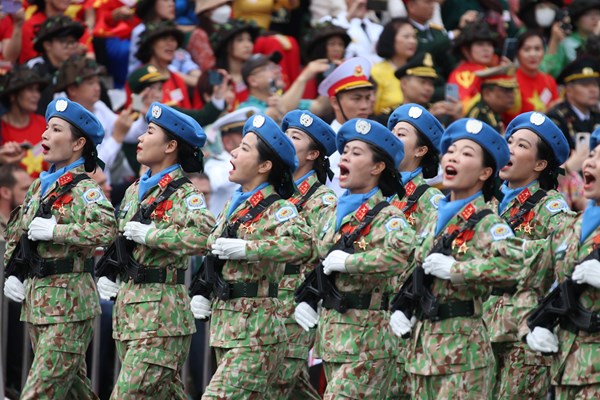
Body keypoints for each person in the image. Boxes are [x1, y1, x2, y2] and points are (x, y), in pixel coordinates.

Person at [391, 118, 530, 398]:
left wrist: (458, 269)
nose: (453, 157)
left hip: (462, 352)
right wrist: (403, 306)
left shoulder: (488, 222)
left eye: (467, 153)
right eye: (451, 151)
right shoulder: (434, 218)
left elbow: (515, 266)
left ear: (485, 172)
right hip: (422, 349)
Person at [96, 102, 215, 398]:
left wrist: (153, 235)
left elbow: (204, 237)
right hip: (130, 313)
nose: (139, 138)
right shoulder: (135, 189)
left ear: (170, 146)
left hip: (161, 318)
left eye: (149, 132)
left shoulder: (185, 194)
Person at [190, 113, 312, 399]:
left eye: (244, 149)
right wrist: (202, 289)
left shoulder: (278, 208)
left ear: (265, 165)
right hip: (229, 326)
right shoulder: (235, 204)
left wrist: (251, 249)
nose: (233, 152)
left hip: (256, 331)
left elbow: (303, 245)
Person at [2, 97, 118, 399]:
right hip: (39, 303)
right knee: (73, 391)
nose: (45, 135)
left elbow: (107, 229)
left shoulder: (84, 189)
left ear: (78, 143)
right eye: (46, 128)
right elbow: (18, 232)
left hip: (69, 306)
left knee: (40, 391)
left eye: (56, 130)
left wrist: (58, 231)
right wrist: (13, 271)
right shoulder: (39, 187)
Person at [294, 117, 413, 398]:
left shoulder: (388, 216)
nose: (345, 157)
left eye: (356, 153)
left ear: (377, 167)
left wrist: (351, 263)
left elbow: (400, 257)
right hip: (334, 337)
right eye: (345, 151)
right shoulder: (332, 214)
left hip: (368, 341)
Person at [485, 111, 572, 399]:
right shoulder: (488, 201)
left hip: (523, 328)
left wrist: (513, 248)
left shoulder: (549, 205)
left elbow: (567, 247)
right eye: (509, 141)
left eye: (521, 145)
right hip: (483, 324)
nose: (509, 149)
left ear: (540, 164)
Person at [524, 126, 600, 399]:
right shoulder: (569, 228)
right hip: (565, 369)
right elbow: (528, 281)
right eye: (591, 155)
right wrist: (531, 327)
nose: (589, 163)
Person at [273, 109, 337, 399]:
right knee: (289, 386)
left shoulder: (322, 199)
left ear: (313, 154)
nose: (286, 140)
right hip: (265, 300)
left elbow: (319, 250)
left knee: (276, 381)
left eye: (296, 137)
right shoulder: (273, 192)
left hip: (294, 300)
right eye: (285, 134)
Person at [386, 103, 445, 399]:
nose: (392, 138)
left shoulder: (428, 198)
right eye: (392, 132)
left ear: (421, 150)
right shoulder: (378, 193)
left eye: (402, 134)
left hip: (405, 310)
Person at [318, 56, 375, 196]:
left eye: (367, 98)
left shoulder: (375, 139)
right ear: (335, 102)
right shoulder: (325, 147)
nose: (365, 105)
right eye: (356, 98)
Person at [239, 52, 330, 121]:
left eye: (276, 67)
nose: (278, 71)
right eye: (270, 68)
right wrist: (303, 78)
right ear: (253, 81)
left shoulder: (288, 101)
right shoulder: (245, 109)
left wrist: (332, 77)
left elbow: (320, 106)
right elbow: (280, 112)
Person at [204, 106, 260, 217]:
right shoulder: (215, 164)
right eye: (243, 136)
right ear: (228, 142)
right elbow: (217, 182)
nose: (250, 140)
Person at [26, 15, 85, 115]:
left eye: (73, 42)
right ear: (47, 45)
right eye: (64, 41)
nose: (70, 47)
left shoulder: (78, 67)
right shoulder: (35, 68)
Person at [0, 66, 49, 178]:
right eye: (30, 89)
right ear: (13, 96)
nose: (37, 95)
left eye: (37, 90)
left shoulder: (43, 123)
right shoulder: (1, 128)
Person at [504, 30, 560, 123]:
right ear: (517, 53)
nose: (533, 54)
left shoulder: (549, 80)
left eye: (537, 49)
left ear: (544, 52)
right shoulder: (510, 82)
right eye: (527, 49)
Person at [447, 21, 501, 114]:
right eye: (480, 44)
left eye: (489, 44)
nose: (486, 49)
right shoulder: (459, 73)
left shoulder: (454, 72)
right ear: (465, 50)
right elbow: (455, 104)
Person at [540, 0, 600, 78]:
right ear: (576, 20)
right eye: (587, 14)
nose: (594, 18)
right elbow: (550, 72)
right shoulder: (566, 43)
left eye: (597, 13)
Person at [371, 18, 418, 116]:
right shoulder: (377, 72)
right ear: (391, 39)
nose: (412, 41)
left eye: (414, 37)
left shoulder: (417, 70)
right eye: (406, 36)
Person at [326, 0, 384, 64]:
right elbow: (333, 32)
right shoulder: (331, 20)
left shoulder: (378, 28)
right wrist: (349, 16)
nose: (362, 2)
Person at [466, 65, 518, 134]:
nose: (512, 95)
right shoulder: (479, 116)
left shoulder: (495, 113)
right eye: (506, 90)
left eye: (512, 90)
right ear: (487, 93)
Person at [0, 164, 32, 239]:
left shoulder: (30, 221)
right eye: (26, 189)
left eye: (32, 187)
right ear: (5, 192)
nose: (32, 193)